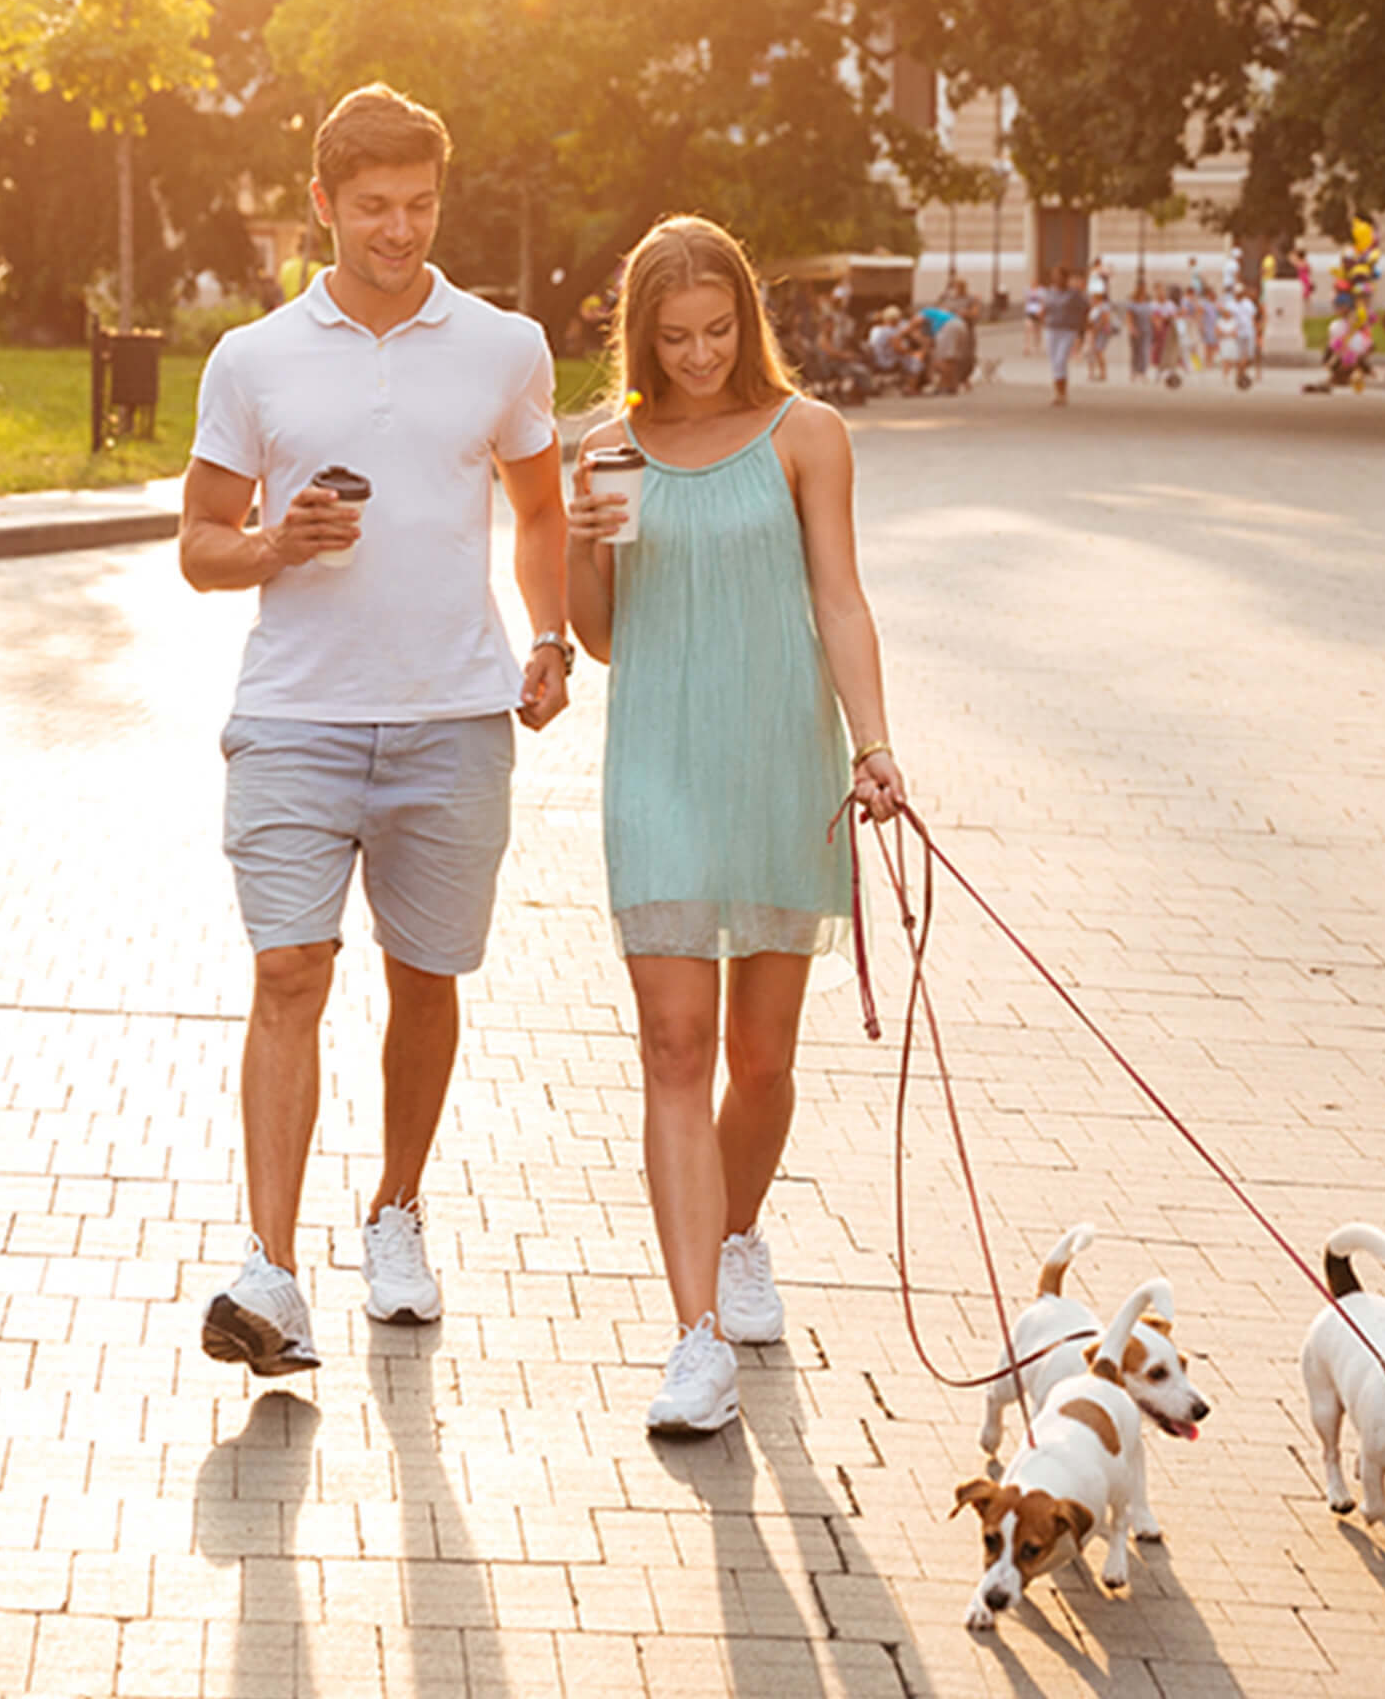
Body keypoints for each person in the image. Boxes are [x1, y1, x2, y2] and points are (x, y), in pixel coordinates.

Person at [177, 83, 574, 1378]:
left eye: (418, 206)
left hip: (455, 717)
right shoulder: (255, 360)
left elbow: (542, 508)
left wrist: (552, 636)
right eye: (373, 209)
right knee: (289, 975)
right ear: (322, 205)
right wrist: (275, 542)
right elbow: (197, 548)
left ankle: (396, 1211)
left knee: (426, 978)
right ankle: (272, 1272)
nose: (399, 231)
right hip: (295, 715)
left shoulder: (505, 347)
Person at [563, 214, 907, 1435]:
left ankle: (742, 1231)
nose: (700, 355)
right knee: (673, 1046)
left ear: (744, 321)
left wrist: (874, 746)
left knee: (761, 1061)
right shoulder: (611, 448)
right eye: (675, 337)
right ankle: (695, 1336)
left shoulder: (807, 435)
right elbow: (602, 634)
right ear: (642, 336)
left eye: (718, 331)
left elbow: (840, 596)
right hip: (658, 759)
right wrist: (578, 534)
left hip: (779, 762)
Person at [1043, 265, 1089, 405]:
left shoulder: (1074, 294)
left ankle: (1062, 393)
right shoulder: (1050, 291)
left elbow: (1086, 308)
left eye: (1059, 276)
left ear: (1065, 278)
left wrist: (1082, 325)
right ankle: (1058, 393)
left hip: (1068, 330)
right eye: (1054, 276)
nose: (1056, 278)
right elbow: (1045, 308)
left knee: (1061, 359)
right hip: (1051, 329)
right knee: (1054, 362)